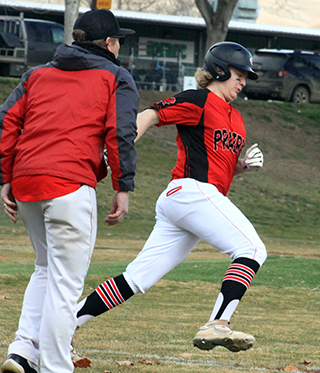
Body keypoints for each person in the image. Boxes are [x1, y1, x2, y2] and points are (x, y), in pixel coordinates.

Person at [73, 41, 267, 357]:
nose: (243, 81)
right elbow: (151, 115)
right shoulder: (198, 99)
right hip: (190, 193)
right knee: (253, 248)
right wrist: (120, 146)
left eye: (246, 76)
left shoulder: (237, 119)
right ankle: (218, 322)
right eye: (238, 73)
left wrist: (242, 166)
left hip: (192, 199)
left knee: (136, 278)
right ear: (219, 69)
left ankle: (65, 325)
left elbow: (218, 168)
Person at [0, 9, 138, 373]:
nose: (120, 44)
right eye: (118, 39)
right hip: (70, 185)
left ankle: (21, 352)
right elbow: (120, 133)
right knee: (64, 286)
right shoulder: (116, 76)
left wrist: (6, 178)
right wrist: (123, 186)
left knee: (45, 269)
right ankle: (56, 368)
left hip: (28, 184)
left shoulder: (37, 74)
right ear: (109, 43)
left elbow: (6, 122)